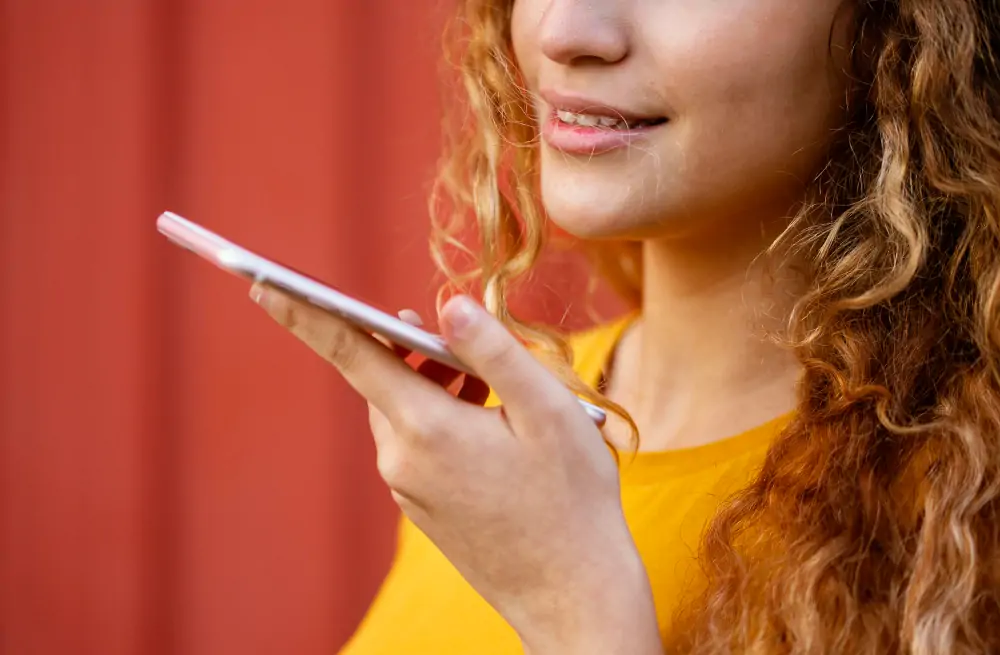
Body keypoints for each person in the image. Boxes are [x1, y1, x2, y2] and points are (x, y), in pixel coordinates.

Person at [251, 0, 1000, 652]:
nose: (567, 31)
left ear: (894, 28)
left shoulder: (963, 504)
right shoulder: (500, 432)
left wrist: (572, 604)